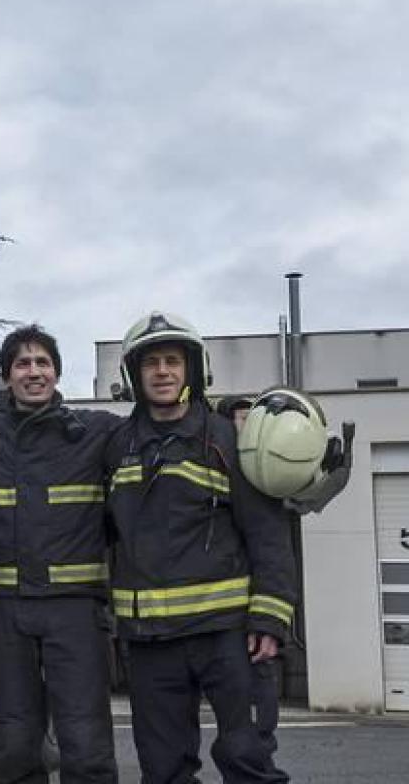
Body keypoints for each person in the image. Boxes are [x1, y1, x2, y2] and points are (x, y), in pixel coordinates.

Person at [106, 313, 297, 783]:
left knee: (247, 759)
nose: (163, 372)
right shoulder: (115, 448)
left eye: (173, 361)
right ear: (135, 374)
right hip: (151, 642)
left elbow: (269, 535)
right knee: (164, 769)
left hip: (228, 637)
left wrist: (270, 619)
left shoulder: (231, 442)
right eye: (151, 363)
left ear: (193, 369)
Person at [0, 324, 119, 784]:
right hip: (6, 612)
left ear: (57, 373)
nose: (34, 372)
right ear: (7, 377)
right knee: (15, 743)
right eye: (22, 364)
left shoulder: (96, 432)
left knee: (86, 742)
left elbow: (157, 433)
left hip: (76, 612)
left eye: (43, 363)